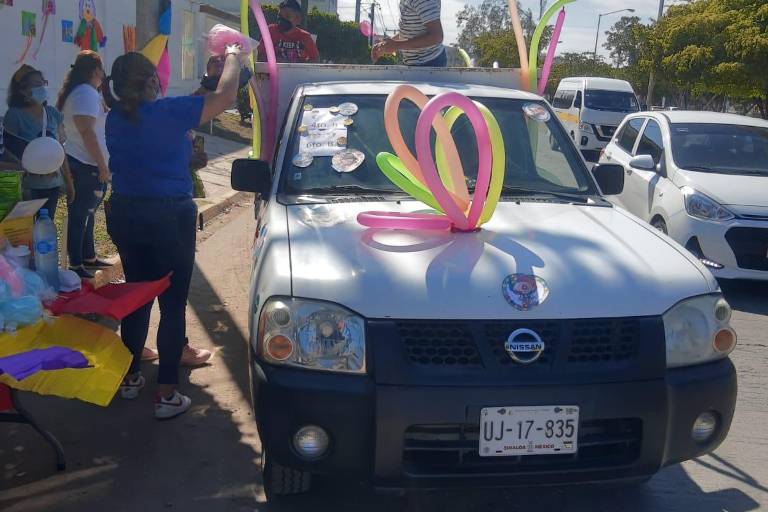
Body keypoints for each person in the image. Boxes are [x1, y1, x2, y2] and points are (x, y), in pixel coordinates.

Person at [103, 48, 242, 419]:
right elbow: (226, 96)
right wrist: (233, 56)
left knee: (137, 294)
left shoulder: (115, 119)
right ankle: (166, 393)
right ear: (151, 81)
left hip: (127, 213)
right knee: (172, 302)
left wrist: (188, 159)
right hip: (168, 216)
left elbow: (148, 155)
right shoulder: (167, 112)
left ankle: (129, 377)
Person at [57, 51, 113, 279]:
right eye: (101, 70)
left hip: (83, 161)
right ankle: (76, 265)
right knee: (80, 214)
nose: (103, 75)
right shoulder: (85, 93)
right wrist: (102, 166)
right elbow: (87, 133)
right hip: (84, 163)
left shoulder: (83, 92)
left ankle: (88, 256)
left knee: (88, 213)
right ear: (95, 71)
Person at [3, 65, 74, 217]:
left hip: (52, 185)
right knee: (25, 234)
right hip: (27, 189)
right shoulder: (14, 116)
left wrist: (68, 181)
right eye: (36, 84)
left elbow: (60, 150)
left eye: (43, 83)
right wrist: (29, 169)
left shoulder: (53, 114)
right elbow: (8, 153)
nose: (42, 87)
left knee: (46, 227)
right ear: (22, 90)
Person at [371, 0, 445, 67]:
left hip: (429, 63)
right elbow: (410, 31)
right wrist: (386, 45)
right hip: (414, 63)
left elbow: (437, 36)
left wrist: (396, 45)